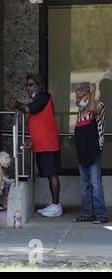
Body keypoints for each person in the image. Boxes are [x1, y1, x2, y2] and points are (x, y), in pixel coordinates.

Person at [7, 73, 63, 217]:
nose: (28, 88)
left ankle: (56, 205)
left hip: (48, 142)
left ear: (39, 85)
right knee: (49, 173)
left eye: (31, 85)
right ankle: (54, 203)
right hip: (41, 143)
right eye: (27, 85)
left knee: (52, 174)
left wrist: (18, 104)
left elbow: (29, 109)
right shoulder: (36, 100)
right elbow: (28, 113)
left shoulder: (44, 96)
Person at [73, 82, 108, 224]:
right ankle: (87, 213)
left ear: (87, 95)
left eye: (79, 96)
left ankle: (101, 214)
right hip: (82, 151)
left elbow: (93, 109)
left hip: (94, 150)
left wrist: (93, 93)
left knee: (95, 183)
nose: (76, 98)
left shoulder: (99, 105)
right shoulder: (80, 109)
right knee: (84, 184)